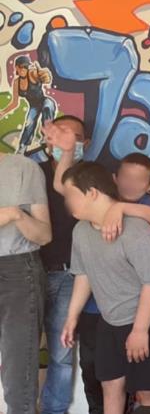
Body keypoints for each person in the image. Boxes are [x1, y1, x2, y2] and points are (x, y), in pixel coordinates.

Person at [43, 123, 150, 413]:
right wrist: (66, 151)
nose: (130, 184)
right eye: (126, 177)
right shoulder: (85, 221)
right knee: (103, 377)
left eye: (139, 179)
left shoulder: (135, 215)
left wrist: (121, 208)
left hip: (139, 309)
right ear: (114, 178)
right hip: (99, 309)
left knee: (144, 384)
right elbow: (63, 186)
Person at [59, 162, 150, 414]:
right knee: (111, 384)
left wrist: (140, 330)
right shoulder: (81, 231)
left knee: (148, 391)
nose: (67, 202)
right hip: (113, 316)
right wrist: (71, 317)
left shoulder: (136, 231)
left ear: (92, 193)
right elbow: (83, 274)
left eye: (70, 195)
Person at [38, 115, 89, 414]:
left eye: (75, 137)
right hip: (31, 274)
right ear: (49, 140)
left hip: (71, 277)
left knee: (61, 354)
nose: (67, 141)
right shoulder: (33, 172)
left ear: (86, 143)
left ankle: (53, 410)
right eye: (60, 134)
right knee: (22, 350)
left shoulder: (90, 178)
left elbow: (65, 186)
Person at [0, 153, 51, 414]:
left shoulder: (23, 168)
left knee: (18, 372)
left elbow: (44, 235)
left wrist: (15, 214)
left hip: (17, 271)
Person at [0, 55, 56, 154]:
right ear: (16, 67)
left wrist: (44, 75)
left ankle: (46, 136)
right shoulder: (16, 82)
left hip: (44, 101)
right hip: (34, 106)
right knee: (29, 123)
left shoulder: (32, 74)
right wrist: (3, 112)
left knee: (48, 107)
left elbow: (44, 77)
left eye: (26, 67)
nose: (24, 69)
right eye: (21, 67)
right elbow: (14, 103)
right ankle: (23, 146)